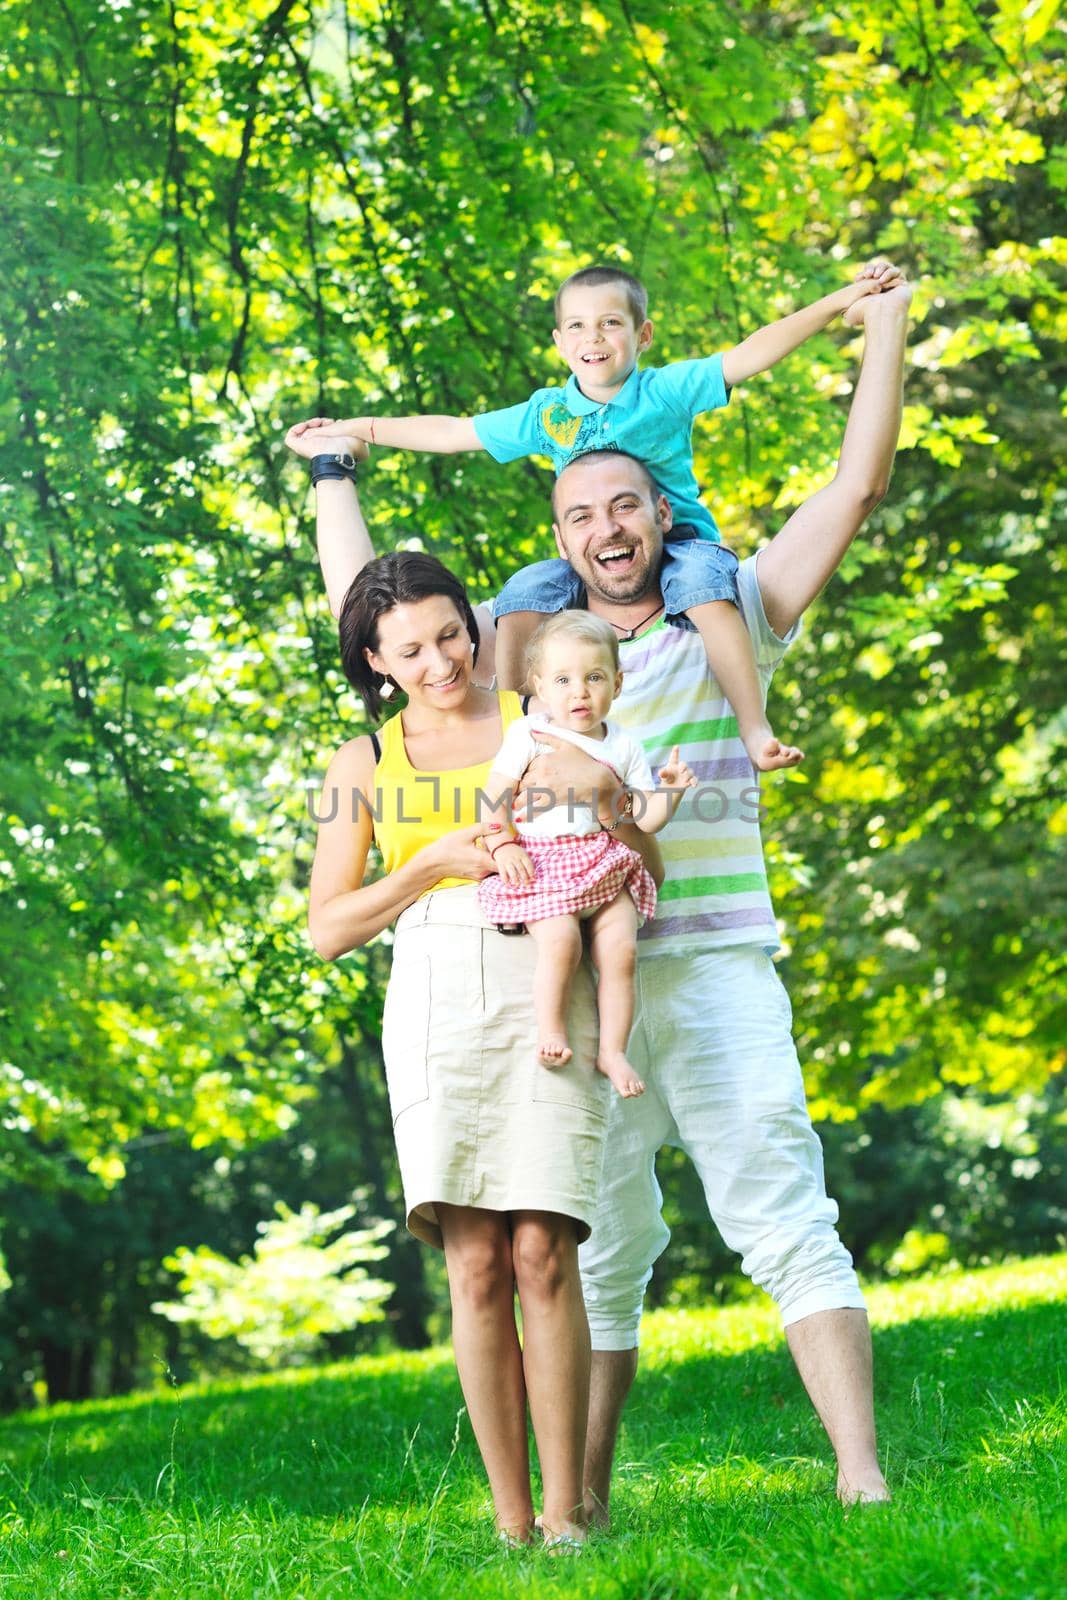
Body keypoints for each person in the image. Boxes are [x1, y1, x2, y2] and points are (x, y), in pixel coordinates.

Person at [286, 267, 912, 1514]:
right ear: (560, 535)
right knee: (591, 1254)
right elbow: (389, 631)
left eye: (629, 504)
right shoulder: (539, 668)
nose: (607, 527)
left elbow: (854, 486)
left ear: (660, 512)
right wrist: (333, 474)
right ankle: (582, 1510)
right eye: (582, 513)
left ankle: (862, 1478)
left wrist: (878, 323)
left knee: (785, 1213)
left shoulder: (730, 606)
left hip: (716, 964)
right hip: (564, 988)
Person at [304, 537, 660, 1547]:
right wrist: (433, 863)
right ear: (376, 660)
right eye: (409, 651)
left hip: (550, 978)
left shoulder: (542, 716)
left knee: (545, 1246)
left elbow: (642, 855)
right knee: (474, 1263)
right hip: (434, 990)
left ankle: (569, 1515)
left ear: (475, 624)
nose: (439, 663)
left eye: (451, 635)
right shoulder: (362, 762)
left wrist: (616, 815)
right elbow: (327, 927)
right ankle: (512, 1523)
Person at [321, 257, 899, 771]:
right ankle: (528, 745)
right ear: (557, 340)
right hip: (564, 871)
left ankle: (754, 724)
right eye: (577, 325)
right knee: (525, 588)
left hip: (690, 553)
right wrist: (349, 435)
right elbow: (452, 435)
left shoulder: (664, 392)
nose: (593, 338)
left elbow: (754, 357)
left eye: (610, 324)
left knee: (701, 586)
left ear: (642, 334)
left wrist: (845, 302)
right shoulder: (549, 414)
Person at [477, 610, 697, 1097]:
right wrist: (502, 841)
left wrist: (672, 792)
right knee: (562, 944)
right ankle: (551, 1029)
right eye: (563, 680)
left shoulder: (624, 746)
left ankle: (612, 1050)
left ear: (616, 684)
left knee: (621, 952)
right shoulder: (528, 734)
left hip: (603, 862)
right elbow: (493, 795)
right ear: (539, 686)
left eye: (594, 677)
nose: (579, 692)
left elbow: (642, 819)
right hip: (543, 862)